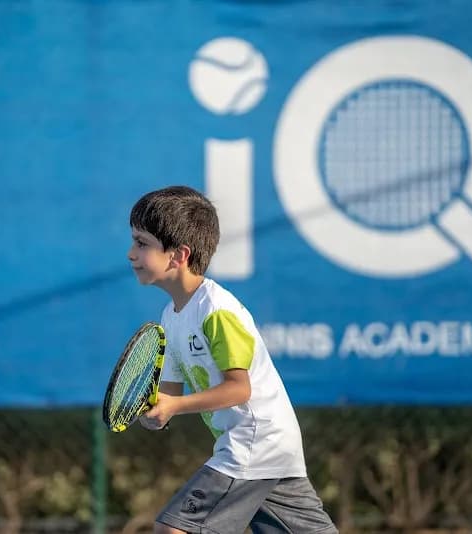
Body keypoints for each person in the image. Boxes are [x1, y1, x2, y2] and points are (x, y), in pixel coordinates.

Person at [127, 185, 338, 534]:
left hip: (254, 441)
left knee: (174, 529)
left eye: (141, 243)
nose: (131, 254)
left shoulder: (216, 310)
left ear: (178, 255)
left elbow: (239, 389)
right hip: (272, 446)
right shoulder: (171, 317)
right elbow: (169, 395)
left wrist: (174, 406)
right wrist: (156, 413)